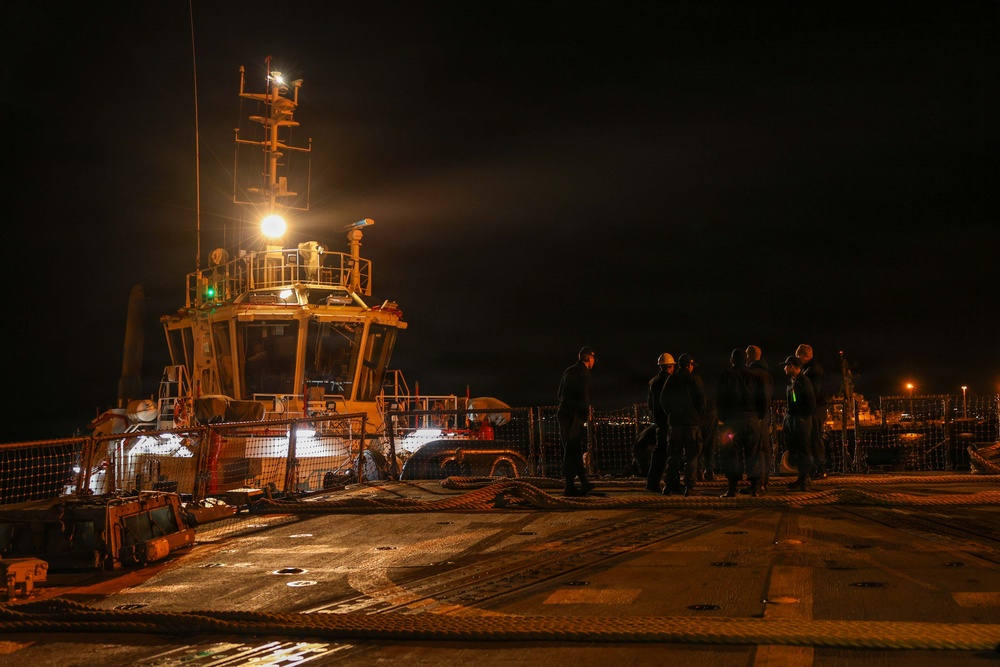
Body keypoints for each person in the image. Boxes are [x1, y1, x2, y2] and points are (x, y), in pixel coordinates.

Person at [716, 348, 766, 497]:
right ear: (746, 360)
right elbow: (762, 399)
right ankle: (754, 487)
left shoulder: (726, 376)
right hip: (752, 420)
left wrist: (723, 418)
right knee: (753, 453)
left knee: (732, 453)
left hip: (732, 421)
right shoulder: (756, 376)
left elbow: (720, 399)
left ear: (732, 360)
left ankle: (732, 488)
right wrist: (759, 416)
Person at [659, 352, 705, 496]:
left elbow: (663, 400)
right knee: (692, 456)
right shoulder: (695, 380)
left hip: (676, 424)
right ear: (690, 365)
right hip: (692, 424)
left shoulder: (671, 379)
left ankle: (668, 486)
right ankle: (689, 488)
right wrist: (699, 419)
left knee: (673, 456)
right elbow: (702, 402)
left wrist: (671, 414)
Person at [556, 346, 597, 496]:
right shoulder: (584, 373)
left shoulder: (569, 371)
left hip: (563, 413)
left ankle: (583, 482)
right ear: (589, 358)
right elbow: (584, 397)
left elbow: (559, 393)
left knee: (572, 447)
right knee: (572, 448)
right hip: (573, 415)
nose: (594, 362)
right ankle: (569, 486)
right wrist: (586, 414)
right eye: (593, 359)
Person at [781, 355, 816, 490]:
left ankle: (804, 479)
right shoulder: (793, 382)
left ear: (791, 366)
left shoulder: (803, 382)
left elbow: (811, 403)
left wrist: (802, 417)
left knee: (804, 450)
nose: (784, 368)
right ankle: (802, 478)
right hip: (794, 421)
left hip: (801, 422)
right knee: (797, 449)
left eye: (786, 366)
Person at [645, 353, 677, 492]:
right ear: (671, 366)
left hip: (659, 421)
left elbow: (649, 403)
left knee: (659, 452)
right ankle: (672, 483)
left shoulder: (653, 381)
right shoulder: (671, 381)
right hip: (670, 421)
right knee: (672, 453)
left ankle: (652, 482)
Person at [796, 343, 827, 478]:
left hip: (815, 410)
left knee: (815, 438)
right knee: (814, 438)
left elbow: (813, 392)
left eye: (798, 356)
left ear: (803, 356)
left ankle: (821, 469)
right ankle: (818, 468)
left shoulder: (813, 370)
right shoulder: (812, 369)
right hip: (817, 409)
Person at [746, 344, 774, 491]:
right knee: (765, 447)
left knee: (756, 448)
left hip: (757, 414)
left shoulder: (752, 373)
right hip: (765, 414)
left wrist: (759, 415)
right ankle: (765, 480)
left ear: (748, 356)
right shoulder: (767, 374)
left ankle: (758, 482)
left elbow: (758, 396)